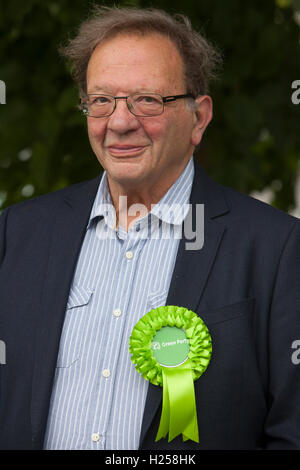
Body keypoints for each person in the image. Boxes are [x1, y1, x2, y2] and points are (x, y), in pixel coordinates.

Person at [0, 6, 300, 451]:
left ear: (199, 118)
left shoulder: (275, 248)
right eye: (101, 100)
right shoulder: (16, 234)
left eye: (148, 100)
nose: (120, 123)